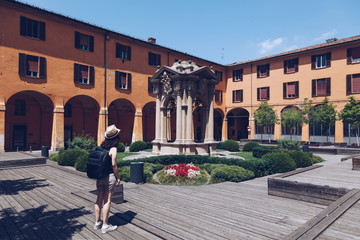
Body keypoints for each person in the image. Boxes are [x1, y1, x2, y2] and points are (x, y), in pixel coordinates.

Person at [94, 124, 121, 234]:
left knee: (99, 198)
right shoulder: (113, 148)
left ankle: (97, 223)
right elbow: (114, 164)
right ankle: (105, 225)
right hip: (109, 176)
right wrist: (118, 177)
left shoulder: (101, 146)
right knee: (107, 200)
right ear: (116, 137)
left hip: (99, 176)